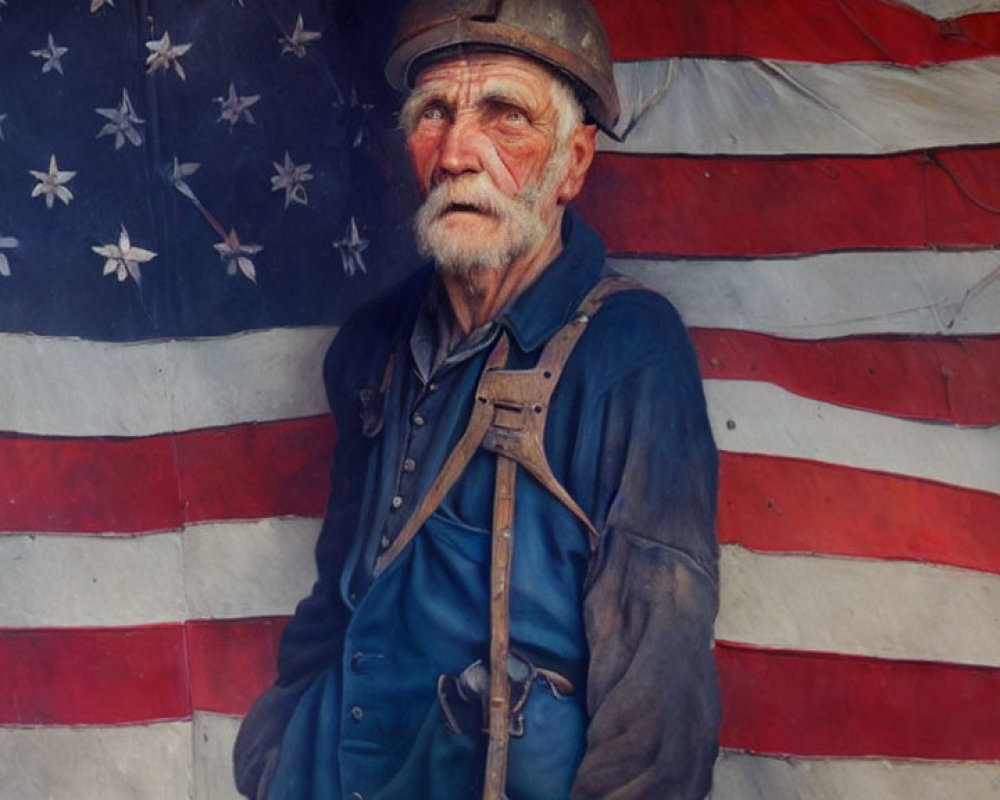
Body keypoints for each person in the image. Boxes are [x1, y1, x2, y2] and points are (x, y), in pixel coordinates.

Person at [234, 1, 720, 798]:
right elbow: (339, 591)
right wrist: (275, 753)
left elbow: (657, 705)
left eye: (506, 115)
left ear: (572, 164)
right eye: (434, 112)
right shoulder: (372, 343)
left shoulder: (632, 353)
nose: (457, 151)